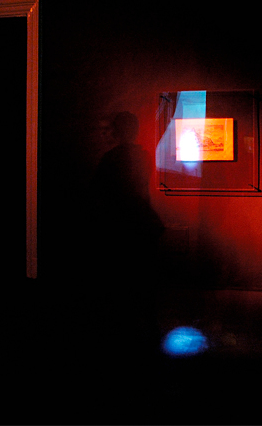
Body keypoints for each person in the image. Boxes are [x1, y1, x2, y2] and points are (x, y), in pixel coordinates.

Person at [91, 111, 164, 359]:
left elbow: (99, 193)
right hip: (141, 223)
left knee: (122, 278)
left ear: (118, 131)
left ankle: (126, 336)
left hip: (121, 226)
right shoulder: (144, 156)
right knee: (143, 277)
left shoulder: (111, 159)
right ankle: (148, 329)